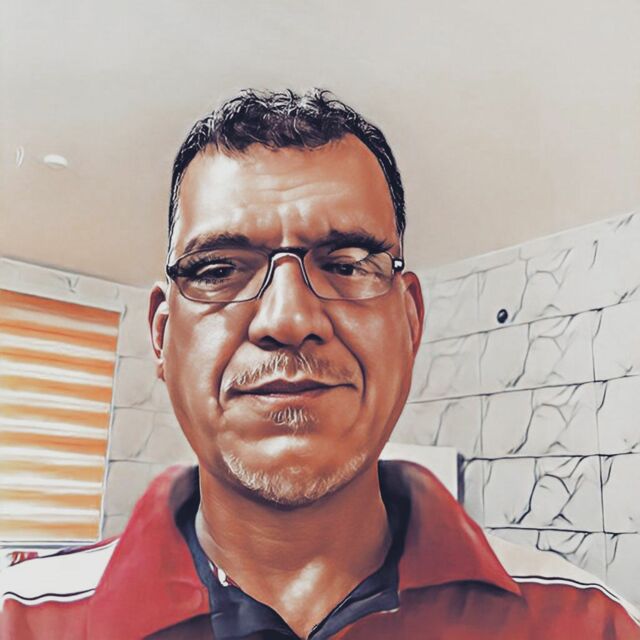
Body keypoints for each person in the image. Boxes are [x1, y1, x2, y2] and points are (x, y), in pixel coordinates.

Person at [1, 89, 639, 640]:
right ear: (163, 337)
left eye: (346, 265)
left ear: (410, 322)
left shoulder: (588, 624)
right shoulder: (22, 621)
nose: (286, 319)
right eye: (218, 269)